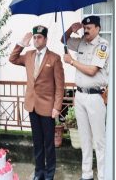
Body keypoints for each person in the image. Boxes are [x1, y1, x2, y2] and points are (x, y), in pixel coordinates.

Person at [9, 26, 64, 180]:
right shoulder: (28, 55)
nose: (36, 40)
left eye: (39, 37)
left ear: (45, 39)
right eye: (34, 37)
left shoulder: (54, 58)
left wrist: (57, 107)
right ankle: (39, 172)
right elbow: (12, 59)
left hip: (48, 108)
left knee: (48, 144)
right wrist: (21, 43)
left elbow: (60, 86)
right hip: (32, 105)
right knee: (37, 142)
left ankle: (49, 173)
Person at [61, 15, 109, 180]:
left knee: (99, 140)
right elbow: (63, 39)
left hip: (95, 96)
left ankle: (103, 176)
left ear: (97, 28)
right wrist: (70, 29)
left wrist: (72, 62)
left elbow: (92, 71)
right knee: (84, 138)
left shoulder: (102, 45)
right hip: (80, 95)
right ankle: (86, 174)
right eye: (84, 27)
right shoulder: (81, 42)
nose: (86, 30)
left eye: (89, 27)